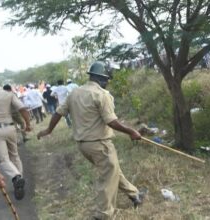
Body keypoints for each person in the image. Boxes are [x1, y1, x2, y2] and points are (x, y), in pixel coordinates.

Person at [37, 61, 147, 220]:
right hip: (100, 144)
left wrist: (48, 130)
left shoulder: (74, 93)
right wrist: (131, 131)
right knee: (108, 179)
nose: (108, 82)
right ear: (103, 79)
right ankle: (104, 215)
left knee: (112, 171)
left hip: (83, 146)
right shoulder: (102, 95)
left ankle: (135, 195)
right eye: (107, 79)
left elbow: (58, 113)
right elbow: (111, 121)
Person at [0, 72, 31, 200]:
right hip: (10, 128)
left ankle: (16, 177)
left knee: (3, 160)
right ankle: (19, 181)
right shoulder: (8, 94)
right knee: (15, 156)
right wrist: (27, 124)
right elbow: (22, 108)